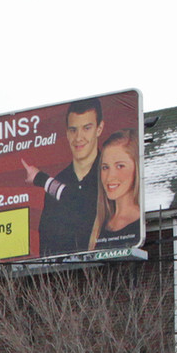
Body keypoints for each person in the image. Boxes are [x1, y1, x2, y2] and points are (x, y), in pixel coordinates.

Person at [21, 99, 105, 257]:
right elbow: (46, 250)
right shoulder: (58, 182)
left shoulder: (110, 175)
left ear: (99, 129)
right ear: (67, 133)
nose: (79, 137)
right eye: (73, 130)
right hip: (65, 279)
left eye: (87, 128)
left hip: (105, 273)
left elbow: (85, 207)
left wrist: (42, 179)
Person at [88, 130, 142, 251]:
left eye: (120, 166)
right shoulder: (97, 223)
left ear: (137, 168)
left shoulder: (141, 224)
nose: (110, 176)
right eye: (105, 167)